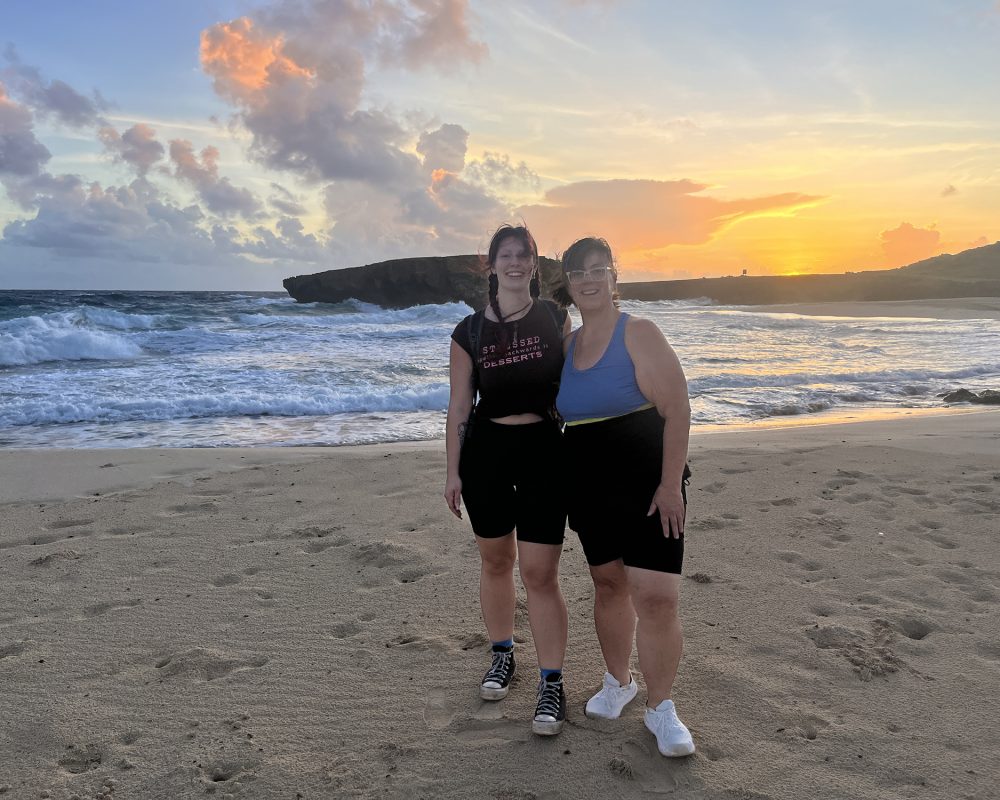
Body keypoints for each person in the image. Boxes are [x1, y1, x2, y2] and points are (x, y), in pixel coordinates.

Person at [554, 236, 695, 757]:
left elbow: (677, 409)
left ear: (614, 277)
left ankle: (661, 710)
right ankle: (619, 682)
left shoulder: (639, 333)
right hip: (588, 486)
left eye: (598, 270)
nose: (588, 280)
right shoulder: (567, 347)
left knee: (657, 596)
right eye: (577, 273)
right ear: (567, 285)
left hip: (648, 482)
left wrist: (669, 483)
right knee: (608, 583)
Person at [444, 223, 572, 736]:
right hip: (486, 454)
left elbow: (578, 388)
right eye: (506, 255)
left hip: (543, 451)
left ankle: (552, 682)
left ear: (535, 265)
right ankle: (502, 654)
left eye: (525, 255)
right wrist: (451, 470)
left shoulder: (557, 319)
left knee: (540, 573)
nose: (516, 262)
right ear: (491, 264)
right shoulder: (468, 331)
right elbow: (458, 404)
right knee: (496, 561)